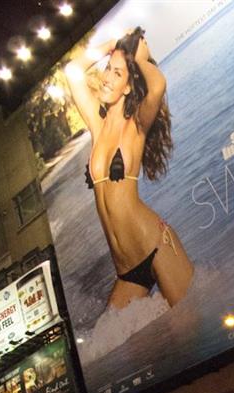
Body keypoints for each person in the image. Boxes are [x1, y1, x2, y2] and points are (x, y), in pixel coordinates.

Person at [65, 27, 193, 309]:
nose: (108, 78)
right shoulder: (97, 126)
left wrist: (141, 59)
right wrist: (113, 44)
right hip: (127, 269)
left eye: (118, 74)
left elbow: (157, 85)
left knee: (194, 323)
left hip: (155, 245)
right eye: (108, 69)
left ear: (128, 86)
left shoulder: (136, 125)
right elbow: (73, 71)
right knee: (121, 347)